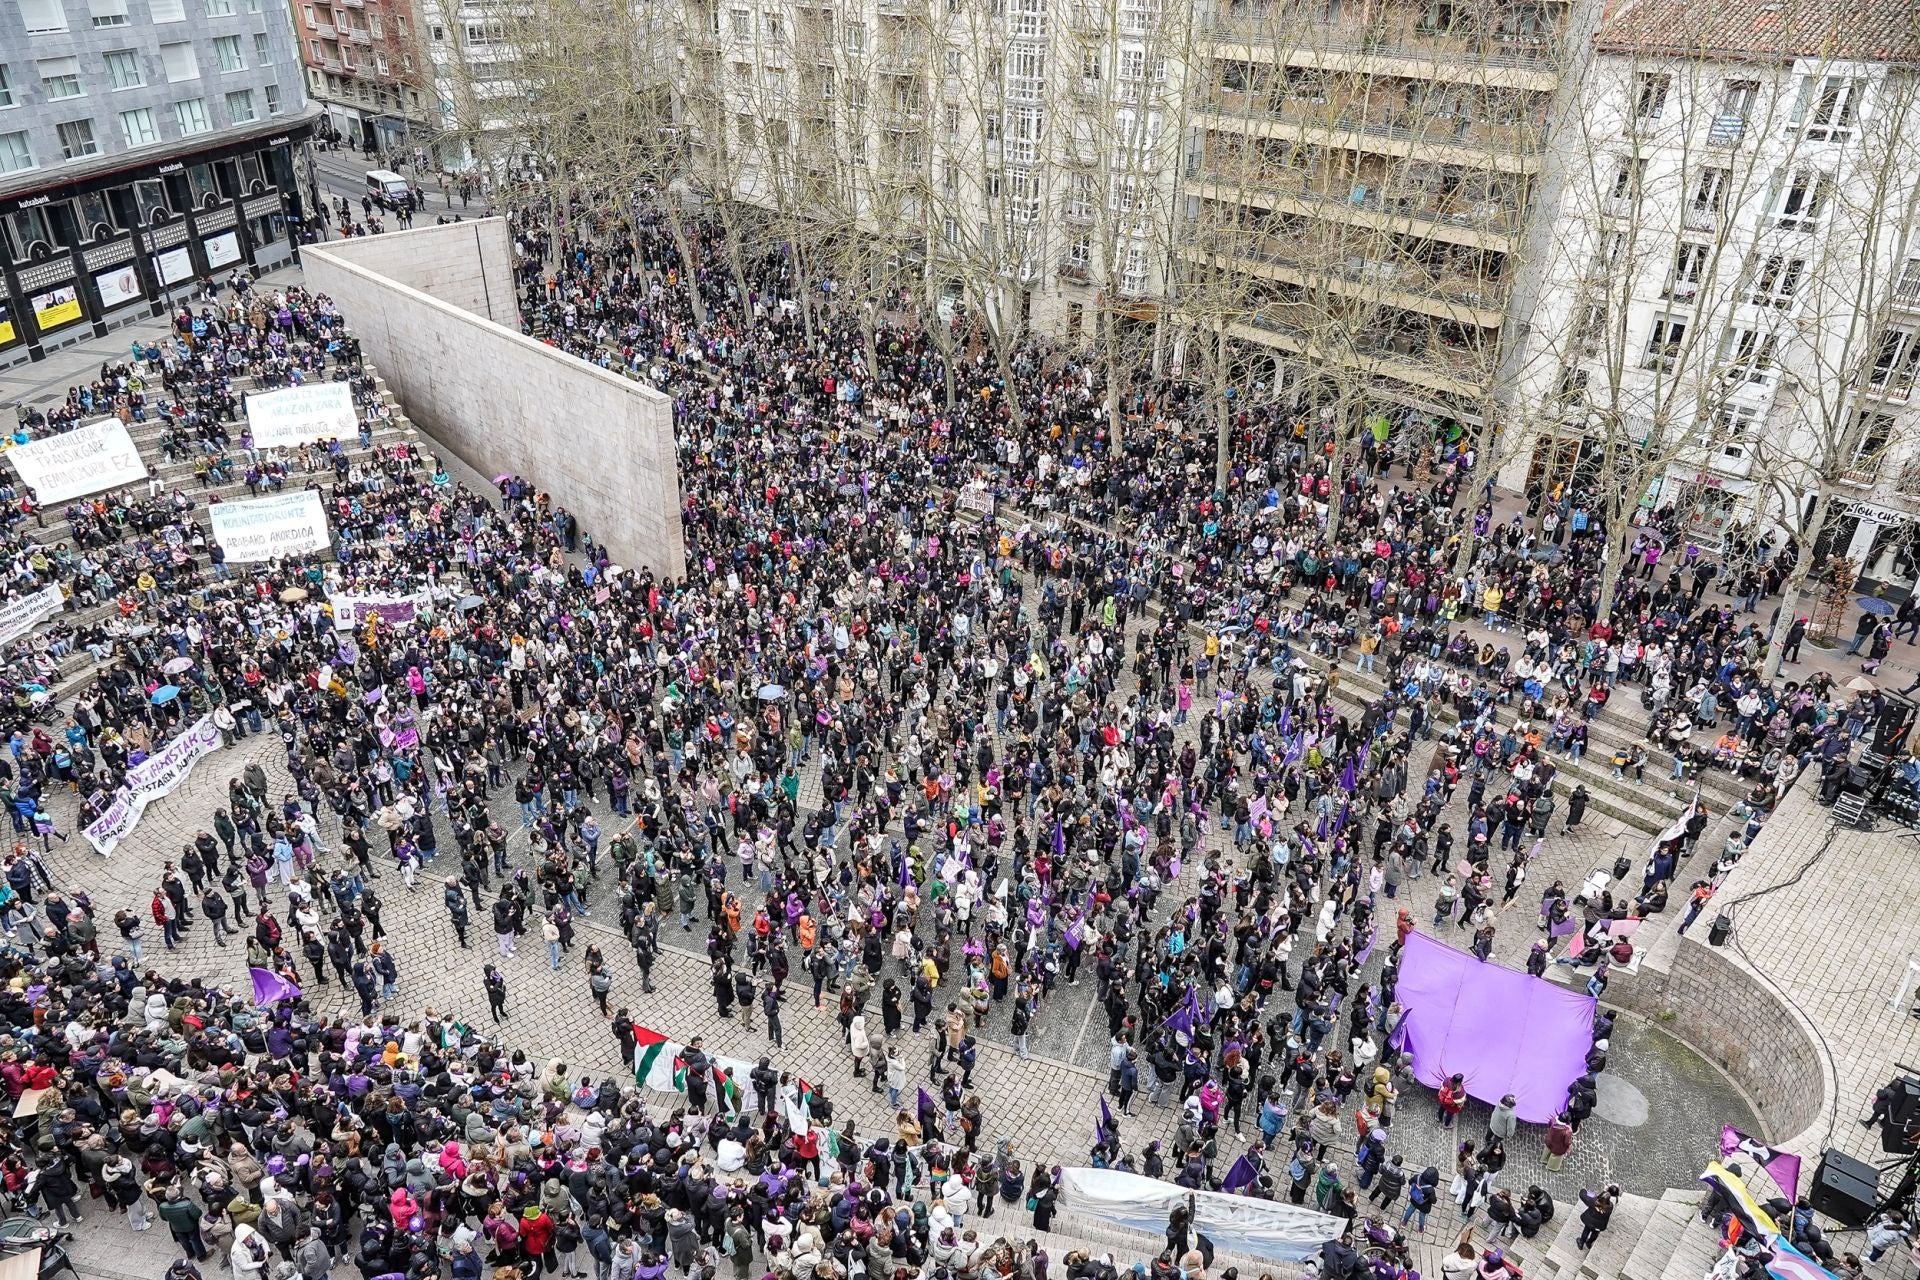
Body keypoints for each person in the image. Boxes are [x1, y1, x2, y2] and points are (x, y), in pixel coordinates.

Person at [1576, 1184, 1618, 1249]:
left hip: (1589, 1221)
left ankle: (1581, 1243)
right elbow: (1603, 1205)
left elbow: (1583, 1196)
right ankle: (1589, 1243)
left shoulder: (1593, 1202)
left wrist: (1583, 1190)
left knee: (1586, 1231)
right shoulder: (1610, 1207)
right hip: (1599, 1225)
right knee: (1595, 1234)